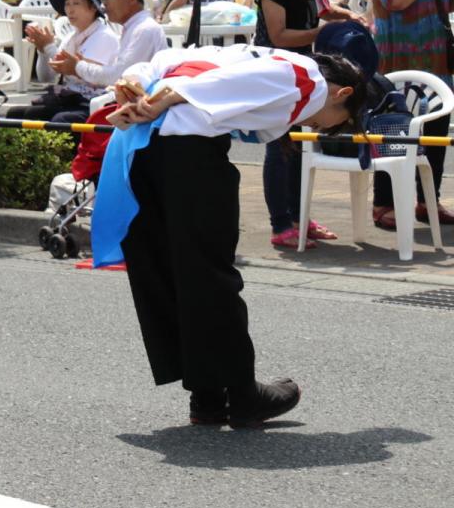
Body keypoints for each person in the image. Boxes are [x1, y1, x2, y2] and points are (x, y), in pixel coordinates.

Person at [92, 43, 365, 428]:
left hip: (138, 150)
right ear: (343, 93)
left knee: (168, 269)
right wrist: (164, 98)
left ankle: (207, 397)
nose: (312, 125)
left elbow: (157, 62)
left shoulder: (246, 52)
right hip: (188, 153)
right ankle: (242, 395)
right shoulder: (308, 78)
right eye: (325, 122)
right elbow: (227, 83)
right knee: (210, 275)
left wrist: (134, 83)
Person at [254, 0, 352, 248]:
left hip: (304, 67)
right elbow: (279, 34)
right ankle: (280, 224)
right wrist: (321, 32)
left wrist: (348, 17)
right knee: (280, 146)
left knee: (299, 146)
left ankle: (299, 215)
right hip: (276, 68)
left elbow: (323, 10)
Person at [366, 0, 454, 230]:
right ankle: (383, 204)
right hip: (397, 64)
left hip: (436, 63)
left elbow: (442, 1)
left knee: (434, 134)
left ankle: (426, 200)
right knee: (394, 132)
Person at [5, 0, 118, 123]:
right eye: (67, 3)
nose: (70, 9)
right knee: (15, 114)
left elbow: (85, 75)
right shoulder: (72, 36)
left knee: (58, 120)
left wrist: (49, 47)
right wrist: (42, 51)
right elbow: (46, 78)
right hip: (71, 99)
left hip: (94, 103)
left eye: (76, 3)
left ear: (93, 7)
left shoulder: (104, 36)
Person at [57, 0, 166, 89]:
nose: (104, 4)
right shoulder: (132, 27)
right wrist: (83, 65)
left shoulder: (144, 29)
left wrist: (77, 67)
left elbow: (118, 77)